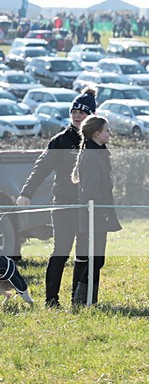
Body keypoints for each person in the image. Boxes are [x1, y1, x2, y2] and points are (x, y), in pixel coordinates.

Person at [17, 88, 95, 308]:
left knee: (84, 254)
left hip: (87, 207)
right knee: (61, 251)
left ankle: (78, 299)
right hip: (63, 204)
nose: (77, 116)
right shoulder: (60, 140)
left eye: (83, 112)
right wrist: (26, 193)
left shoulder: (97, 141)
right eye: (74, 112)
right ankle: (51, 299)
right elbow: (41, 168)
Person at [71, 116, 121, 306]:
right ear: (96, 133)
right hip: (94, 214)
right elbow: (91, 190)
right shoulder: (92, 155)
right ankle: (81, 299)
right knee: (95, 259)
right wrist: (102, 212)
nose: (110, 133)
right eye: (107, 130)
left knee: (97, 259)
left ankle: (89, 299)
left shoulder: (99, 152)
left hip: (98, 213)